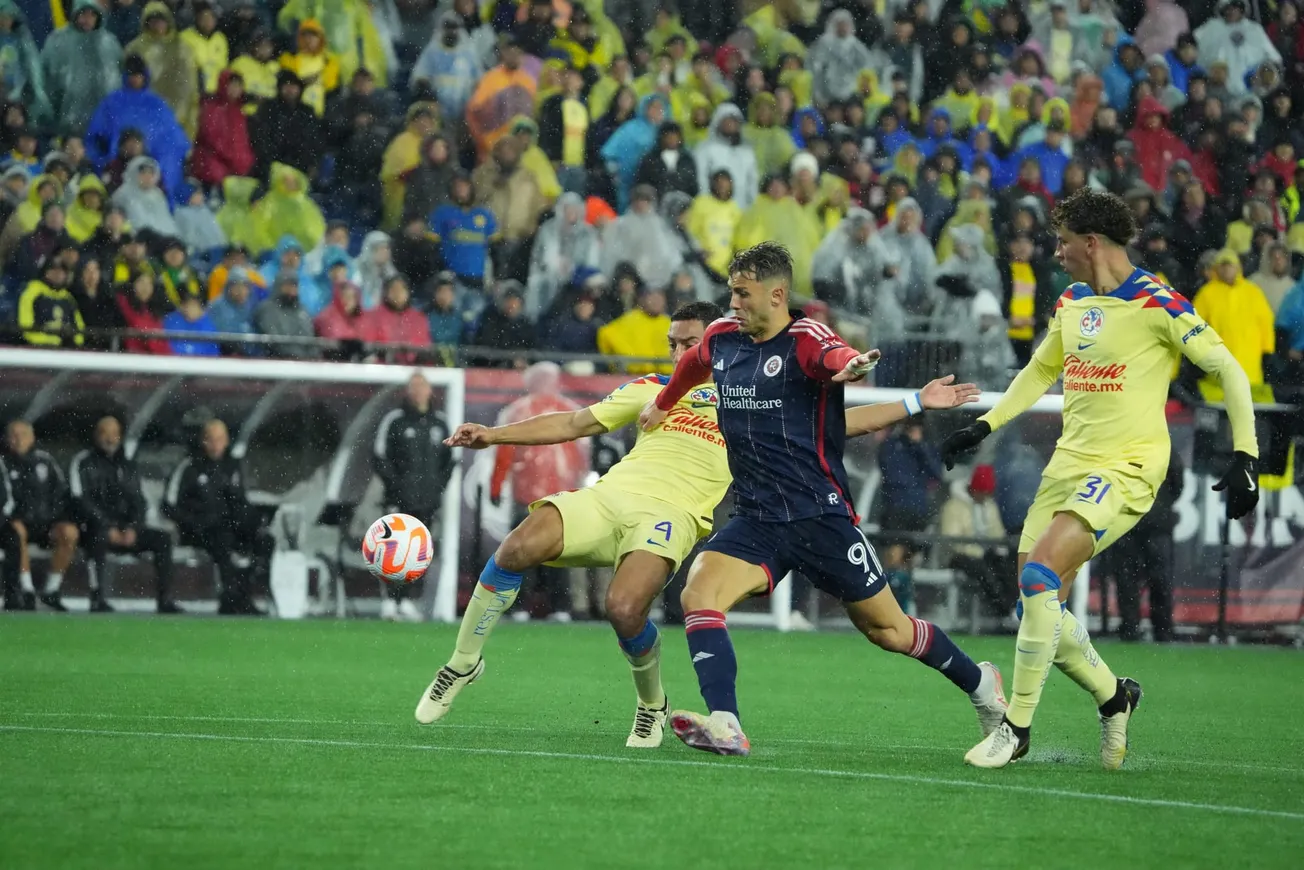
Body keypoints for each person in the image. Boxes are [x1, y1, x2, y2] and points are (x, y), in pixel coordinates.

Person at [636, 243, 1006, 756]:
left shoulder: (806, 338)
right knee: (698, 594)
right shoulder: (722, 338)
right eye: (731, 293)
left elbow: (834, 356)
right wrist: (661, 403)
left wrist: (854, 366)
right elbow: (692, 366)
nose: (733, 303)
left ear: (777, 294)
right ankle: (726, 723)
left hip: (820, 518)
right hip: (758, 518)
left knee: (890, 631)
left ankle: (983, 685)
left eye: (743, 294)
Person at [939, 188, 1260, 769]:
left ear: (1091, 242)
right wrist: (984, 424)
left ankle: (1016, 730)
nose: (1055, 252)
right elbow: (1040, 370)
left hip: (1128, 466)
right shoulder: (1073, 300)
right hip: (1068, 464)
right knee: (1035, 606)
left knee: (1039, 577)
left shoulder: (1157, 302)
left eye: (1062, 242)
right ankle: (1116, 698)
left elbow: (1229, 371)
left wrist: (1246, 455)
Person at [70, 415, 183, 613]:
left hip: (127, 529)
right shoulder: (83, 462)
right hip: (96, 527)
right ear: (96, 436)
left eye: (115, 434)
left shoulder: (127, 464)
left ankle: (165, 599)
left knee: (162, 539)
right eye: (105, 433)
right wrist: (107, 526)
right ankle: (97, 598)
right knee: (95, 539)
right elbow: (80, 500)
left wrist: (133, 527)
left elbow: (138, 501)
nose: (110, 438)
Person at [164, 419, 270, 615]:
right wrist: (193, 522)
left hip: (228, 527)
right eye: (210, 439)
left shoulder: (233, 467)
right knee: (223, 540)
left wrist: (253, 521)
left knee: (263, 541)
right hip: (197, 530)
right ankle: (230, 599)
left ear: (227, 441)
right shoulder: (189, 467)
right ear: (203, 441)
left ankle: (245, 597)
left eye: (219, 439)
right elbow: (169, 505)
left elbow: (241, 500)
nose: (215, 445)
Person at [372, 373, 454, 621]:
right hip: (398, 500)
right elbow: (379, 456)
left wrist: (436, 488)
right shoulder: (395, 421)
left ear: (430, 391)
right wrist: (396, 487)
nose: (419, 392)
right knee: (393, 549)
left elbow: (449, 462)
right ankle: (389, 600)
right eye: (414, 387)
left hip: (427, 501)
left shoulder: (440, 423)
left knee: (417, 552)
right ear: (408, 391)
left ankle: (408, 599)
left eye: (422, 387)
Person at [1, 420, 80, 611]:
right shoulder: (2, 463)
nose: (19, 440)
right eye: (14, 435)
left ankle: (51, 591)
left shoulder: (45, 460)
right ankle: (27, 591)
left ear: (32, 437)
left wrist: (57, 518)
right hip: (15, 522)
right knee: (17, 530)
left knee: (69, 532)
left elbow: (61, 492)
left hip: (46, 522)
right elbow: (5, 497)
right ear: (6, 439)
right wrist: (13, 517)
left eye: (23, 435)